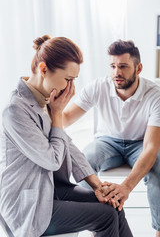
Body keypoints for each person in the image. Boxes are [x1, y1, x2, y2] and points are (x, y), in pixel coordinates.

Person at [0, 35, 133, 237]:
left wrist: (99, 186)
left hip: (50, 190)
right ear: (43, 70)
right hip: (28, 203)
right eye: (68, 79)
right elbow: (51, 160)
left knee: (113, 206)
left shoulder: (44, 100)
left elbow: (67, 146)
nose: (70, 89)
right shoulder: (15, 110)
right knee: (105, 216)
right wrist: (58, 114)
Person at [63, 40, 160, 237]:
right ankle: (97, 224)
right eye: (113, 66)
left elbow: (150, 148)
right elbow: (65, 118)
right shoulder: (98, 87)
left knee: (158, 166)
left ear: (138, 68)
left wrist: (126, 187)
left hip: (139, 143)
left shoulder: (154, 95)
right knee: (85, 158)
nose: (117, 72)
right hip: (107, 142)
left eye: (123, 66)